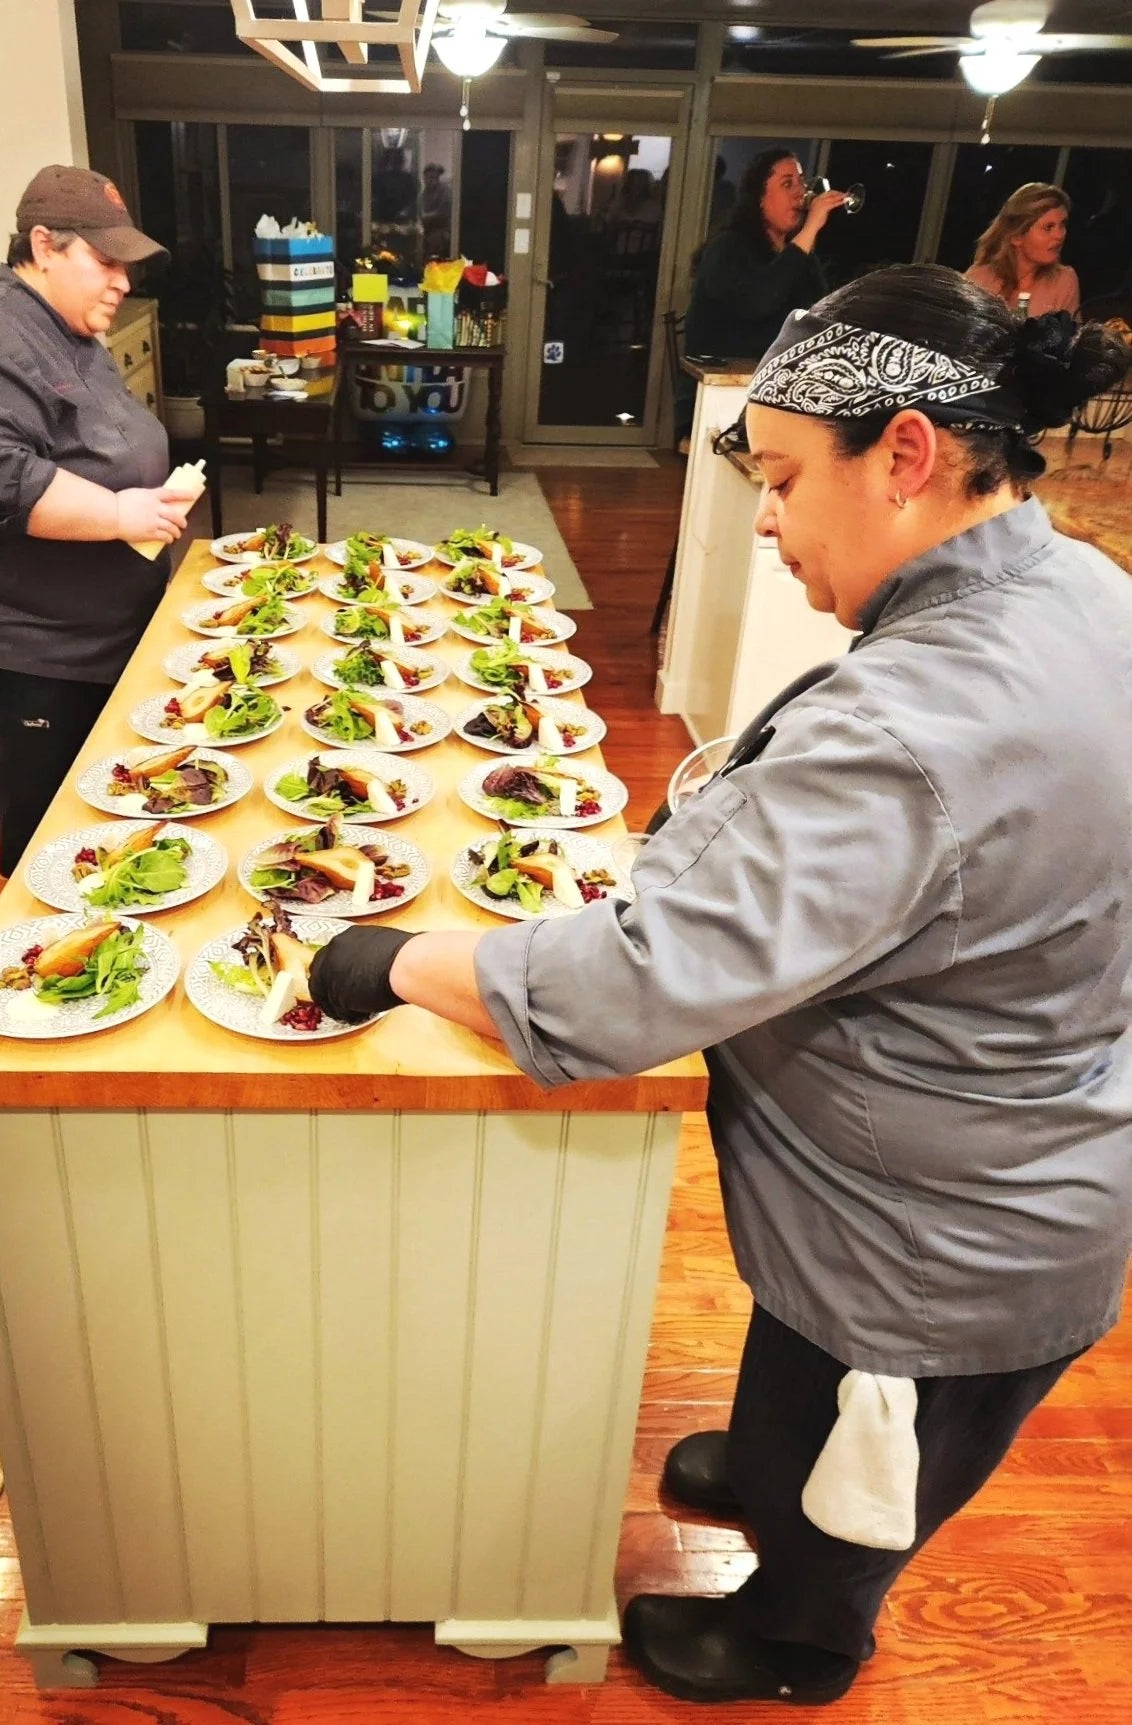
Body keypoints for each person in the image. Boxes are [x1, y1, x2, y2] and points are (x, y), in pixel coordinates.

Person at [306, 264, 1132, 1705]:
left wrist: (396, 957)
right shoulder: (1077, 581)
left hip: (949, 1223)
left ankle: (795, 1642)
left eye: (785, 477)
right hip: (949, 1129)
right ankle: (761, 1469)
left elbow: (631, 989)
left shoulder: (922, 724)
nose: (763, 518)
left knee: (873, 1464)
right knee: (796, 1375)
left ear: (911, 456)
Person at [0, 166, 197, 877]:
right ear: (43, 245)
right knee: (52, 840)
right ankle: (36, 965)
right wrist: (115, 510)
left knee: (111, 814)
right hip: (28, 648)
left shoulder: (69, 332)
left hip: (98, 633)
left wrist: (143, 499)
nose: (122, 282)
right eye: (105, 262)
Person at [683, 148, 848, 362]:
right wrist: (810, 228)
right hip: (721, 384)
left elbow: (817, 315)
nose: (801, 193)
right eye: (788, 184)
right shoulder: (728, 247)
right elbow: (758, 302)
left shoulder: (799, 254)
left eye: (801, 183)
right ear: (759, 197)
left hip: (779, 380)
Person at [965, 182, 1080, 315]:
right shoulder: (978, 279)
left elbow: (1069, 334)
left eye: (1062, 224)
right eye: (1048, 227)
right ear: (1016, 237)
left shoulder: (1064, 281)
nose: (1060, 235)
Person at [419, 162, 453, 259]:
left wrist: (427, 216)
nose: (428, 180)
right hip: (428, 232)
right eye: (426, 178)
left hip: (441, 233)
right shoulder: (425, 192)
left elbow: (445, 212)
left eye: (431, 177)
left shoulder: (444, 191)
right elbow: (417, 206)